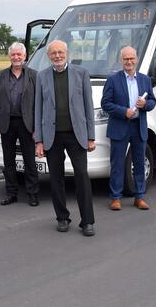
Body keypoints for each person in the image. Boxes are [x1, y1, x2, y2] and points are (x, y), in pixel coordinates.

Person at [35, 40, 96, 236]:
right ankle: (62, 217)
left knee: (82, 177)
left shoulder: (81, 73)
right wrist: (39, 140)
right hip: (52, 136)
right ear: (48, 56)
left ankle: (87, 221)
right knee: (56, 179)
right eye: (53, 53)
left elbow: (88, 106)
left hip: (76, 135)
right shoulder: (42, 77)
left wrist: (91, 136)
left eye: (60, 52)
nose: (57, 56)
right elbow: (38, 109)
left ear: (67, 53)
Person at [101, 46, 156, 211]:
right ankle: (116, 198)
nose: (129, 62)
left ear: (136, 59)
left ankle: (139, 197)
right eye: (126, 59)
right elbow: (105, 104)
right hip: (120, 126)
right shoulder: (113, 80)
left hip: (138, 127)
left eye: (131, 58)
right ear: (121, 61)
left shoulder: (145, 80)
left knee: (139, 163)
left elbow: (153, 101)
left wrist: (145, 104)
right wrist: (123, 111)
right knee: (117, 164)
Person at [0, 42, 39, 206]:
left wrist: (37, 128)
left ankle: (33, 194)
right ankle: (11, 193)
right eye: (13, 55)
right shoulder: (1, 75)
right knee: (8, 161)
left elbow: (39, 104)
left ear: (25, 56)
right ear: (9, 56)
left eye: (19, 55)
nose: (16, 57)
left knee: (30, 161)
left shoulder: (34, 75)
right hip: (7, 123)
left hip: (27, 124)